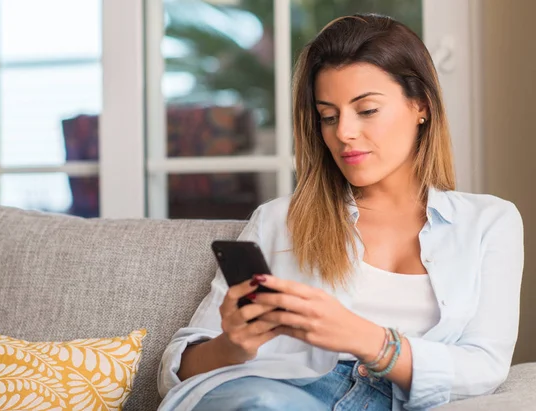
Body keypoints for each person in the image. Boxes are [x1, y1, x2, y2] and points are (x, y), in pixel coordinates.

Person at [157, 13, 524, 411]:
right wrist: (233, 344)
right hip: (271, 394)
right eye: (328, 116)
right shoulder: (280, 220)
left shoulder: (489, 222)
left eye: (366, 110)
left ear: (421, 106)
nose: (343, 132)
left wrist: (365, 338)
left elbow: (485, 366)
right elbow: (176, 372)